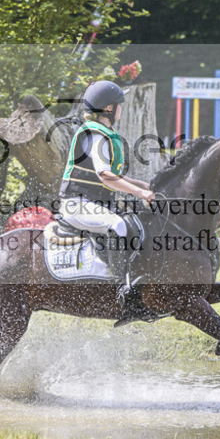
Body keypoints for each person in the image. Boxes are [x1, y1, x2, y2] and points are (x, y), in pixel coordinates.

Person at [58, 80, 155, 296]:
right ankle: (121, 287)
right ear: (109, 108)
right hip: (77, 205)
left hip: (92, 203)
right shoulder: (95, 135)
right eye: (119, 104)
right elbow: (105, 176)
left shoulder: (104, 132)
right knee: (116, 224)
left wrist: (142, 185)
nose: (122, 108)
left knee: (133, 221)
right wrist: (140, 193)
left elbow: (114, 175)